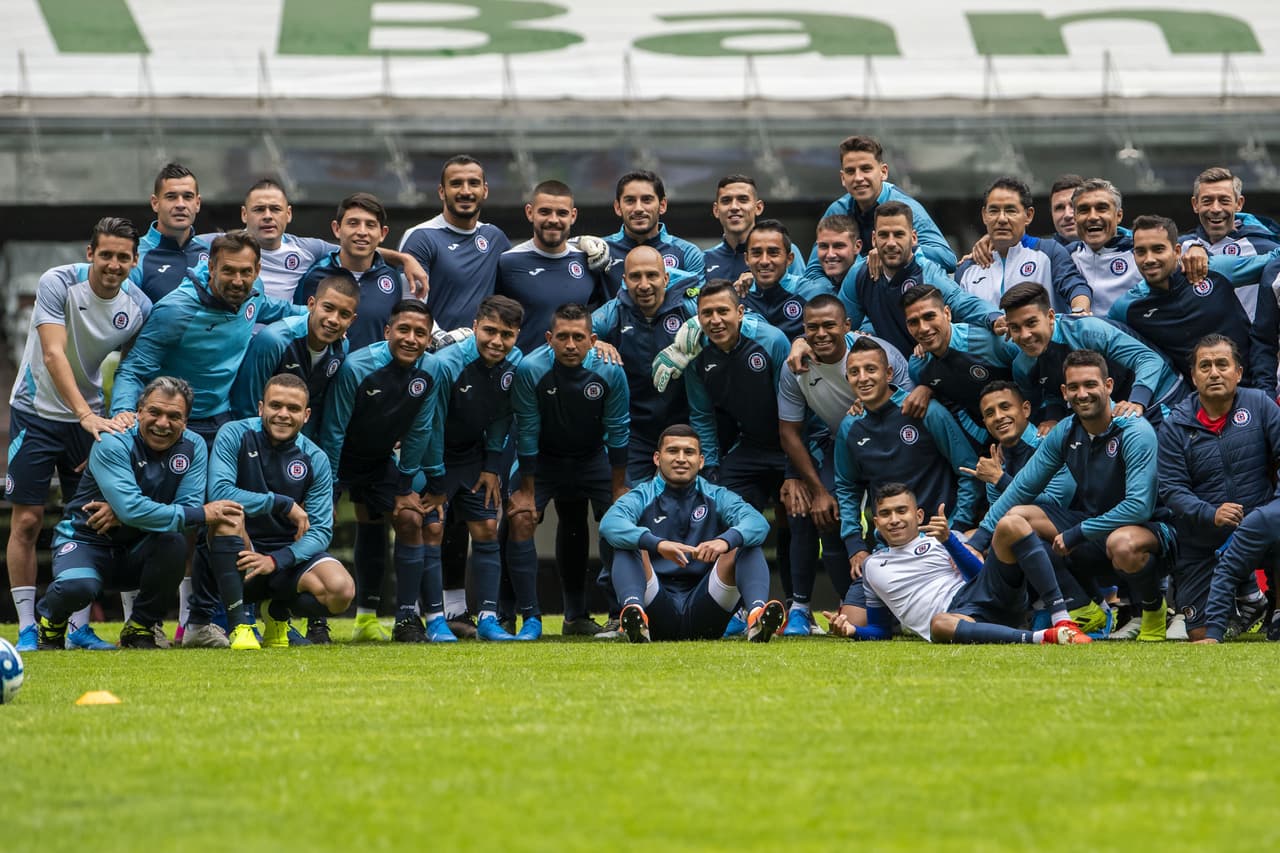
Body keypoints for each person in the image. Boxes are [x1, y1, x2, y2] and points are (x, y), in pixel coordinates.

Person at [110, 230, 303, 645]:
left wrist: (320, 315)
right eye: (228, 271)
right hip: (173, 426)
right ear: (210, 267)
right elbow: (133, 368)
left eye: (246, 272)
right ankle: (146, 621)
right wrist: (121, 416)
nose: (238, 279)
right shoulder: (176, 309)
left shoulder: (252, 294)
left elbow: (276, 308)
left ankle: (198, 623)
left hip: (221, 423)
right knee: (170, 524)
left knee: (224, 516)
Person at [7, 217, 151, 652]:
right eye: (105, 254)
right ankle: (29, 627)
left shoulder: (139, 307)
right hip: (34, 413)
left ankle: (79, 630)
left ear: (134, 261)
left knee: (91, 522)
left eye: (123, 257)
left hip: (93, 420)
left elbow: (135, 370)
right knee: (29, 521)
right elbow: (52, 352)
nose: (113, 264)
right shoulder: (58, 282)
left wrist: (123, 416)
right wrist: (86, 413)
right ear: (91, 253)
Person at [968, 350, 1175, 642]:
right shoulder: (1065, 431)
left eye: (1090, 384)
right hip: (1091, 529)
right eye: (1074, 387)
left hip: (1150, 531)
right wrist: (978, 541)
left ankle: (1154, 610)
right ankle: (1081, 607)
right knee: (1018, 517)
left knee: (1123, 543)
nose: (1082, 393)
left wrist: (1078, 533)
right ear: (1064, 392)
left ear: (1108, 386)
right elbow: (1022, 488)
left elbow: (1139, 507)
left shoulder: (1134, 430)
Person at [35, 378, 242, 649]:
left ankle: (140, 626)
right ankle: (51, 623)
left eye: (174, 416)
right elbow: (146, 508)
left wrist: (125, 513)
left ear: (187, 421)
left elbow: (184, 507)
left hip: (139, 547)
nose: (163, 423)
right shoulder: (112, 440)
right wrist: (132, 511)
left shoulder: (194, 446)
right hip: (88, 540)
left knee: (174, 542)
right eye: (155, 412)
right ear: (139, 411)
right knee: (78, 587)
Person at [776, 295, 907, 631]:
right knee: (823, 513)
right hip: (841, 445)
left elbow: (906, 408)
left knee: (883, 518)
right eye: (812, 328)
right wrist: (817, 490)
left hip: (890, 445)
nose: (821, 333)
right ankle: (831, 603)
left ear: (847, 326)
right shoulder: (796, 365)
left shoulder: (880, 354)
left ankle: (898, 601)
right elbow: (789, 431)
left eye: (829, 325)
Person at [318, 299, 446, 643]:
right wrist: (328, 491)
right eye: (403, 329)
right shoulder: (357, 367)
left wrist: (405, 483)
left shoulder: (431, 371)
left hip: (378, 462)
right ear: (388, 331)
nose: (411, 338)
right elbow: (334, 430)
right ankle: (316, 623)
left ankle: (406, 618)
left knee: (410, 518)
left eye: (421, 333)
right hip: (337, 458)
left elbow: (421, 429)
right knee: (319, 526)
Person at [823, 484, 1090, 644]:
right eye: (885, 514)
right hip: (959, 618)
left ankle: (1062, 620)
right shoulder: (872, 567)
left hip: (986, 593)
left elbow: (978, 575)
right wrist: (852, 630)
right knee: (938, 625)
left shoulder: (943, 536)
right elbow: (881, 630)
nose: (894, 519)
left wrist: (950, 541)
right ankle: (1041, 638)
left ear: (917, 515)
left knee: (1012, 523)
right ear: (877, 522)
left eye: (901, 511)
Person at [508, 304, 630, 639]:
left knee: (619, 520)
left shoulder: (609, 370)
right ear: (550, 338)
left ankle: (619, 614)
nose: (571, 344)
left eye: (579, 337)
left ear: (593, 339)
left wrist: (619, 489)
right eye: (563, 337)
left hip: (593, 458)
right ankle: (519, 616)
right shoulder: (531, 369)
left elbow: (618, 429)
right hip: (544, 460)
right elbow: (527, 430)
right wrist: (528, 492)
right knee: (518, 516)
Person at [600, 425, 785, 643]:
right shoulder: (641, 495)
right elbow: (609, 524)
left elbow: (758, 523)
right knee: (627, 543)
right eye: (672, 451)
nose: (680, 458)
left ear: (701, 461)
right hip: (654, 607)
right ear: (657, 458)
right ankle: (634, 616)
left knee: (745, 541)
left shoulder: (717, 495)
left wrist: (724, 541)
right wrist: (657, 544)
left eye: (688, 452)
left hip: (706, 607)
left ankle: (756, 617)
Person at [206, 375, 354, 650]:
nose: (283, 415)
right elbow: (219, 493)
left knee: (341, 590)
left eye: (294, 408)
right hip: (242, 548)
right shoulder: (234, 434)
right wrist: (281, 503)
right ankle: (240, 625)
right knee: (227, 515)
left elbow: (321, 530)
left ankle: (276, 612)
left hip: (286, 558)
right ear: (261, 408)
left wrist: (277, 560)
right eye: (276, 406)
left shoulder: (316, 458)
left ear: (306, 415)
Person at [418, 295, 524, 641]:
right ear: (475, 327)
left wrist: (493, 465)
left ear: (517, 336)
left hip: (472, 457)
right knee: (432, 530)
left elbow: (502, 416)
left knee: (487, 528)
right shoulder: (446, 363)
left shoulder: (515, 363)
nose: (497, 341)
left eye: (506, 334)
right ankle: (434, 619)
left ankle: (488, 619)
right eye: (490, 331)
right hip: (433, 457)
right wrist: (435, 480)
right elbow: (430, 425)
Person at [1159, 335, 1274, 643]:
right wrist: (1211, 514)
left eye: (1222, 364)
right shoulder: (1175, 425)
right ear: (1194, 376)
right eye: (1205, 366)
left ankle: (1266, 603)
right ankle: (1247, 604)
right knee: (1199, 634)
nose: (1214, 373)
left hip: (1260, 530)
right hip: (1203, 538)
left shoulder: (1260, 404)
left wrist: (1269, 512)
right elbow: (1171, 488)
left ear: (1238, 372)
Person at [833, 336, 981, 576]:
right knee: (854, 613)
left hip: (941, 541)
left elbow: (967, 470)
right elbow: (847, 487)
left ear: (888, 373)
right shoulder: (850, 427)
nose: (863, 378)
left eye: (870, 369)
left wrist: (957, 527)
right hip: (888, 548)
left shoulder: (924, 411)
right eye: (854, 372)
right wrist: (855, 546)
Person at [1110, 214, 1277, 395]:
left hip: (1258, 389)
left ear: (1177, 251)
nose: (1149, 259)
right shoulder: (1128, 307)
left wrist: (1242, 219)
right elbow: (1101, 336)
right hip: (1198, 407)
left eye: (1158, 249)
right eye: (1141, 251)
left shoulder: (1214, 270)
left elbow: (1274, 258)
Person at [1000, 282, 1184, 428]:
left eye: (1031, 323)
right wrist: (1052, 418)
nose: (1025, 335)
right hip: (1113, 415)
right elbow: (1051, 392)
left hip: (1161, 397)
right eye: (1015, 328)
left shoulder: (1088, 331)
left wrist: (1137, 401)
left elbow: (1149, 359)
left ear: (1050, 316)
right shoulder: (1022, 366)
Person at [216, 179, 428, 306]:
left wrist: (403, 258)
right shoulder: (219, 246)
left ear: (288, 214)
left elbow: (354, 245)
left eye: (275, 209)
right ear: (244, 214)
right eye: (259, 209)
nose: (268, 216)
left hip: (280, 351)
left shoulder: (308, 250)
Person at [833, 202, 999, 359]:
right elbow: (837, 322)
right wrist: (806, 341)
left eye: (898, 234)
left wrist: (995, 318)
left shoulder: (927, 272)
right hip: (889, 375)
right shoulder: (860, 274)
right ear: (874, 239)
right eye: (884, 235)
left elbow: (962, 302)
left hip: (931, 367)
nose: (891, 243)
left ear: (913, 238)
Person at [592, 246, 698, 483]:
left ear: (666, 278)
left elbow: (738, 318)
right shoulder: (613, 313)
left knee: (685, 502)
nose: (644, 284)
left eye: (651, 275)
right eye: (635, 276)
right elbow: (570, 334)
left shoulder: (689, 308)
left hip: (685, 425)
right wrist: (594, 343)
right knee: (632, 501)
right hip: (635, 432)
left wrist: (702, 327)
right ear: (624, 280)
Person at [805, 135, 957, 279]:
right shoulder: (838, 210)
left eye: (866, 169)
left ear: (883, 172)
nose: (858, 178)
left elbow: (947, 259)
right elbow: (814, 271)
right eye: (851, 171)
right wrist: (833, 301)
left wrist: (894, 250)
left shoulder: (907, 209)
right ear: (843, 178)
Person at [230, 275, 360, 436]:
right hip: (256, 439)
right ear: (311, 305)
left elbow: (315, 405)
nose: (334, 319)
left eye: (344, 314)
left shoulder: (341, 347)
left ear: (352, 320)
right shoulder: (274, 341)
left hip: (297, 443)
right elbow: (246, 405)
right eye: (328, 308)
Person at [397, 155, 512, 332]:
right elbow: (410, 307)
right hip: (435, 355)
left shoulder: (495, 237)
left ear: (485, 190)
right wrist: (443, 342)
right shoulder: (421, 237)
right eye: (456, 183)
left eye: (473, 183)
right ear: (442, 191)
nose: (465, 191)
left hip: (484, 354)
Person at [903, 284, 1020, 448]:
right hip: (984, 443)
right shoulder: (918, 366)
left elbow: (1033, 375)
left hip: (1027, 429)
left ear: (947, 314)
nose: (923, 328)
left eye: (929, 317)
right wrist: (927, 388)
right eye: (913, 322)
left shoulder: (990, 341)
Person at [955, 177, 1092, 314]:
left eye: (1010, 210)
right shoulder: (966, 269)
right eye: (994, 211)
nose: (1002, 219)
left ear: (1028, 215)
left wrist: (1079, 313)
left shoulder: (1049, 251)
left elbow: (1076, 287)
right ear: (984, 215)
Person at [292, 193, 407, 351]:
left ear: (383, 233)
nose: (362, 231)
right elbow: (296, 329)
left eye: (370, 225)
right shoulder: (314, 275)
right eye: (353, 223)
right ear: (337, 229)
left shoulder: (393, 278)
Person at [1178, 166, 1280, 320]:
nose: (1216, 208)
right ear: (1195, 204)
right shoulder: (1179, 247)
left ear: (1239, 203)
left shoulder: (1265, 248)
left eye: (1224, 200)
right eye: (1207, 201)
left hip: (1249, 342)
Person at [600, 170, 705, 297]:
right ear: (617, 207)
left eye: (647, 200)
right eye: (630, 200)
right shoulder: (600, 251)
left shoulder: (688, 253)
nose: (638, 208)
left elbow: (699, 306)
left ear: (662, 205)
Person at [739, 219, 832, 341]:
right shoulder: (739, 297)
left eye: (773, 253)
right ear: (747, 259)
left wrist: (803, 339)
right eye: (756, 253)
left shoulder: (813, 294)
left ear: (789, 259)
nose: (764, 261)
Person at [703, 174, 805, 283]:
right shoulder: (703, 260)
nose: (734, 207)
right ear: (716, 210)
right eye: (726, 200)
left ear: (758, 208)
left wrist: (760, 286)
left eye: (743, 199)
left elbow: (804, 295)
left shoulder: (785, 250)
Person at [133, 163, 211, 303]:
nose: (180, 204)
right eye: (171, 197)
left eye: (188, 197)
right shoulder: (134, 256)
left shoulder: (212, 253)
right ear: (155, 203)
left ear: (197, 203)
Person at [1047, 174, 1083, 245]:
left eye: (1074, 205)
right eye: (1059, 208)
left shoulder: (1111, 252)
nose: (1067, 215)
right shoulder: (1039, 254)